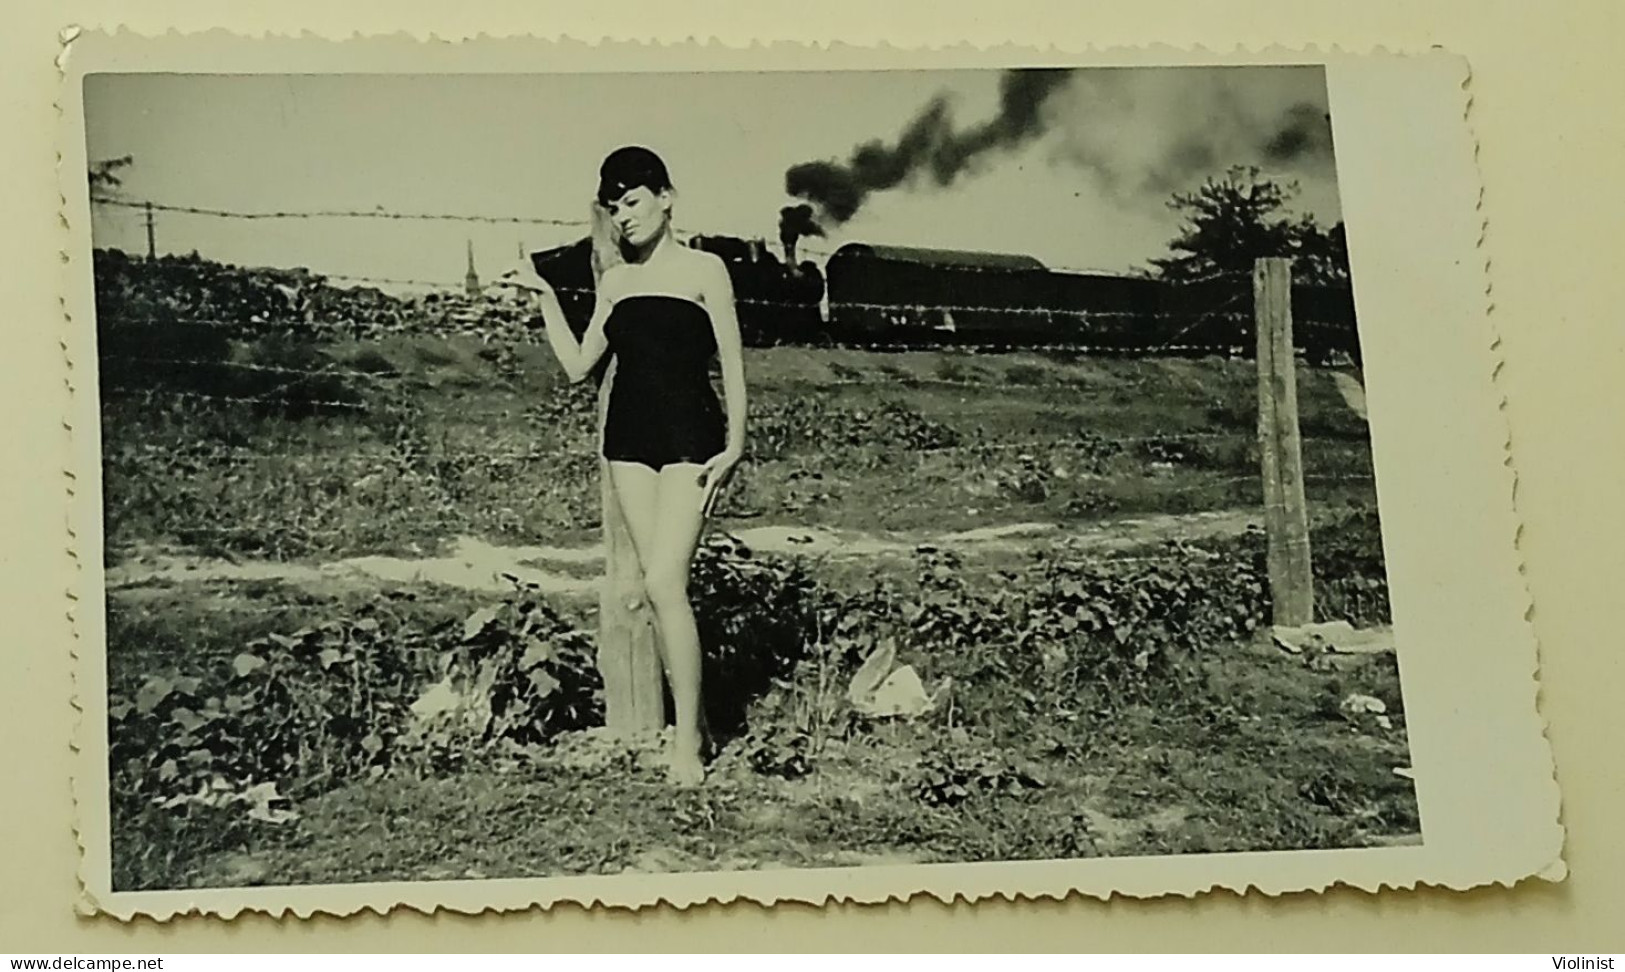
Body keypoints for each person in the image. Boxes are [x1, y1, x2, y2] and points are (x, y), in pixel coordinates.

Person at [494, 146, 747, 786]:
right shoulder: (616, 282)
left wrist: (736, 444)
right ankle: (693, 726)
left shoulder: (706, 270)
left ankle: (686, 742)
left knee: (665, 584)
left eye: (633, 201)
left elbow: (735, 367)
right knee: (652, 590)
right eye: (614, 207)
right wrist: (547, 296)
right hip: (628, 445)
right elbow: (581, 366)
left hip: (692, 442)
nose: (624, 217)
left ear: (667, 196)